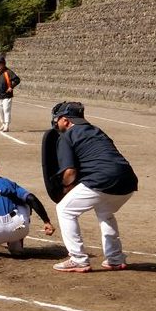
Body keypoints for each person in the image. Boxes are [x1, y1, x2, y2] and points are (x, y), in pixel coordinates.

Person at [49, 101, 138, 273]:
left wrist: (66, 188)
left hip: (102, 180)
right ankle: (115, 258)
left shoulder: (67, 136)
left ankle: (78, 259)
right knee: (105, 212)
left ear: (66, 120)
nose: (55, 122)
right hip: (128, 181)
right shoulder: (97, 131)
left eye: (57, 119)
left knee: (65, 210)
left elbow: (69, 171)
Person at [0, 56, 20, 132]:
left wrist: (11, 87)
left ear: (4, 63)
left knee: (6, 109)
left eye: (0, 63)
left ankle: (7, 125)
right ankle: (3, 124)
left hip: (7, 95)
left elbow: (17, 79)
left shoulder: (8, 72)